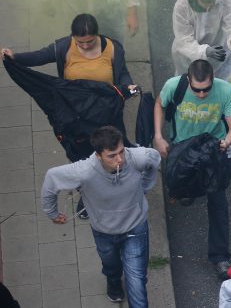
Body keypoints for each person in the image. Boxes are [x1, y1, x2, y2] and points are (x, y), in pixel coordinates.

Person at [41, 126, 160, 306]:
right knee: (111, 265)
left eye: (121, 152)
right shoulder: (85, 171)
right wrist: (52, 212)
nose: (120, 159)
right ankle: (113, 281)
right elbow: (51, 178)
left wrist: (145, 186)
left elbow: (154, 159)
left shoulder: (137, 158)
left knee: (136, 281)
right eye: (112, 156)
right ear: (98, 155)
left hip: (136, 228)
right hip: (104, 231)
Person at [2, 12, 137, 161]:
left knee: (113, 143)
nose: (85, 46)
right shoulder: (63, 47)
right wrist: (15, 58)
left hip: (104, 107)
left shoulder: (113, 48)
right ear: (73, 37)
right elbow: (40, 56)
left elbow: (122, 72)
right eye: (80, 42)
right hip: (76, 109)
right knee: (82, 145)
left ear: (97, 34)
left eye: (90, 41)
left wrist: (128, 86)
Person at [153, 60, 231, 279]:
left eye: (206, 90)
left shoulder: (225, 91)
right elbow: (160, 104)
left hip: (212, 152)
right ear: (188, 80)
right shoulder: (174, 86)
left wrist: (226, 143)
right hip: (183, 149)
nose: (201, 95)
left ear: (213, 80)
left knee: (218, 203)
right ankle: (186, 194)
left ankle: (220, 256)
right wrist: (158, 136)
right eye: (197, 90)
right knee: (182, 188)